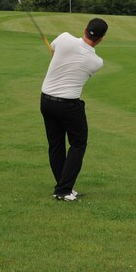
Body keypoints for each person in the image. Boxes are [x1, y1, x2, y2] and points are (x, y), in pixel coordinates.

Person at [40, 18, 108, 201]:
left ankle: (63, 187)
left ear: (85, 29)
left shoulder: (64, 38)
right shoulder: (96, 62)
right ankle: (63, 189)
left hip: (46, 100)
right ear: (101, 38)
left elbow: (54, 53)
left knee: (56, 144)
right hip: (68, 105)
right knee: (78, 144)